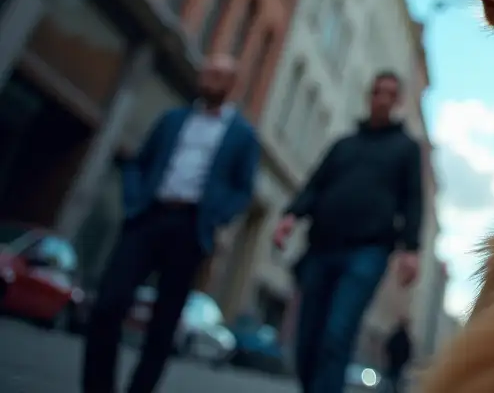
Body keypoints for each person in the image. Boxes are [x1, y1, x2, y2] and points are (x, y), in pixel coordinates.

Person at [82, 55, 259, 393]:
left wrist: (217, 216)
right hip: (149, 217)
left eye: (219, 75)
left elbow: (243, 189)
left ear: (232, 84)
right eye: (207, 72)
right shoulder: (173, 119)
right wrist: (135, 201)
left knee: (163, 323)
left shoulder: (242, 135)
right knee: (108, 304)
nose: (209, 79)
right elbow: (139, 162)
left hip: (190, 227)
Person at [273, 70, 424, 393]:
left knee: (337, 332)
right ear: (369, 96)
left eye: (389, 93)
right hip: (321, 248)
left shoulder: (406, 149)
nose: (382, 98)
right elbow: (314, 185)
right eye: (377, 92)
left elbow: (413, 200)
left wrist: (411, 249)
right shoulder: (344, 145)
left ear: (396, 101)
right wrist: (290, 216)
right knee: (308, 338)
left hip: (367, 252)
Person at [384, 318, 413, 391]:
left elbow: (388, 346)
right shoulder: (405, 338)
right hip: (398, 363)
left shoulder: (396, 336)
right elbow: (408, 352)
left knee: (391, 379)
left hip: (393, 362)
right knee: (395, 380)